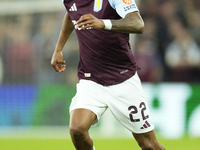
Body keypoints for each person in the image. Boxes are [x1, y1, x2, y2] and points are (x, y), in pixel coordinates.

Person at [51, 0, 165, 150]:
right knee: (77, 129)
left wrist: (103, 23)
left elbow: (138, 24)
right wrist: (58, 48)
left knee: (148, 144)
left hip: (123, 80)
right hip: (91, 79)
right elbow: (71, 13)